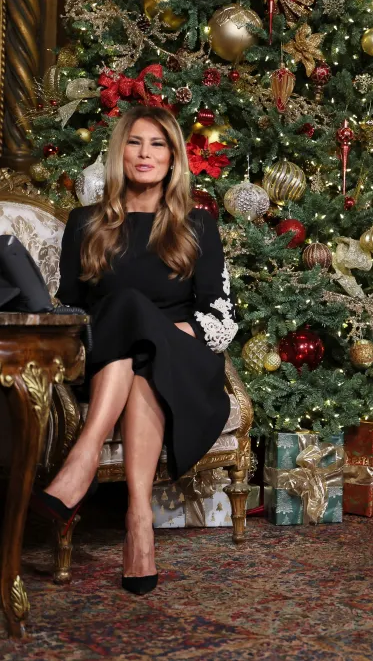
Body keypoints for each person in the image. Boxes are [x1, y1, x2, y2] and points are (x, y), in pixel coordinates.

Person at [31, 106, 238, 593]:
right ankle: (139, 522)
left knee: (132, 311)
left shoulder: (198, 225)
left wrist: (169, 330)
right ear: (119, 153)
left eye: (158, 144)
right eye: (135, 143)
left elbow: (220, 317)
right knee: (132, 340)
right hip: (112, 357)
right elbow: (73, 311)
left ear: (173, 158)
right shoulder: (85, 223)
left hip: (185, 362)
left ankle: (80, 464)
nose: (145, 154)